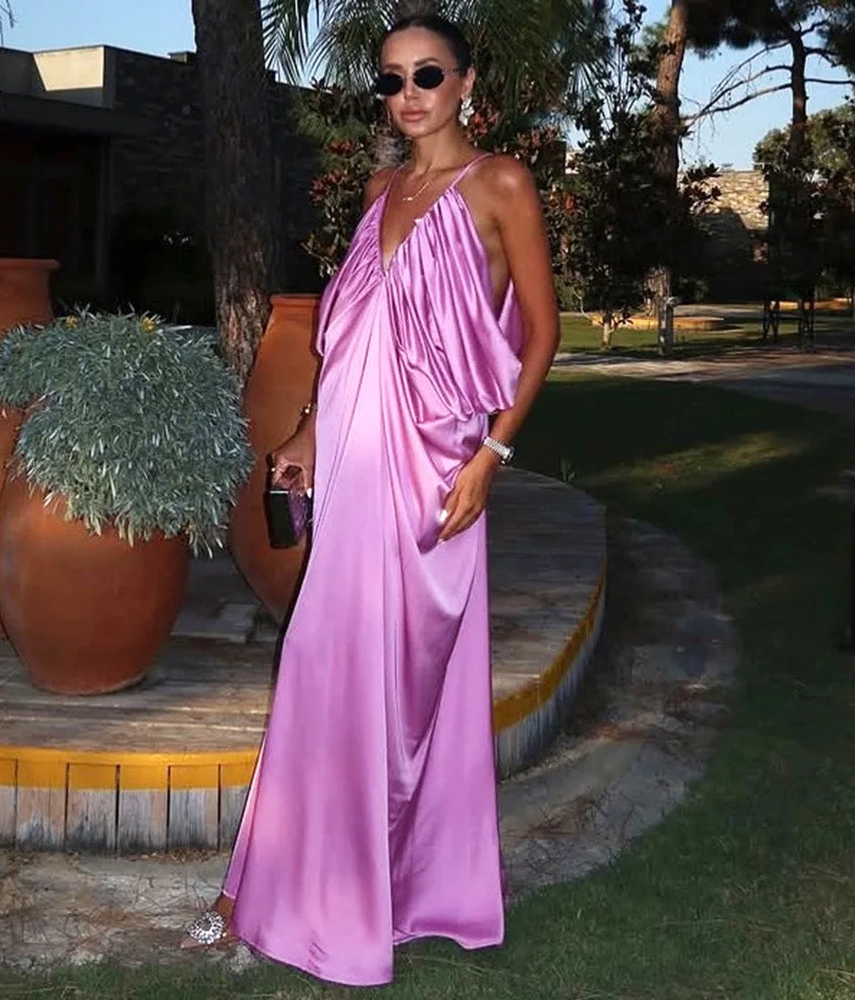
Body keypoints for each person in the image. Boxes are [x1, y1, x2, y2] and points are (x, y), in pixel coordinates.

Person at [181, 13, 559, 986]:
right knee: (320, 664)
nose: (409, 94)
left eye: (428, 73)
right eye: (391, 80)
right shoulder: (380, 189)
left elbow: (541, 336)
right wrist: (307, 432)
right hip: (349, 458)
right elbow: (348, 329)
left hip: (433, 469)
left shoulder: (502, 184)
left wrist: (492, 456)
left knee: (395, 694)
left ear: (465, 80)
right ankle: (278, 891)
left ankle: (360, 892)